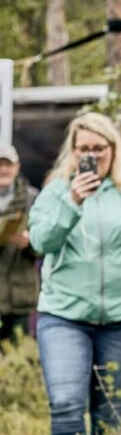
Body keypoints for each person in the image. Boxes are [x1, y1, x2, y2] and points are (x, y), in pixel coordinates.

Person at [28, 112, 121, 435]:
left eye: (100, 147)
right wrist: (72, 202)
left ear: (113, 150)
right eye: (84, 148)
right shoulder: (55, 192)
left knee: (110, 412)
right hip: (64, 317)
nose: (93, 155)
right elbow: (42, 241)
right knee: (67, 405)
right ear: (72, 152)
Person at [0, 144, 39, 344]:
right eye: (0, 165)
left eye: (8, 165)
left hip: (20, 295)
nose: (3, 170)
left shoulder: (33, 199)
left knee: (18, 358)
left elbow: (45, 244)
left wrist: (30, 242)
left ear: (17, 167)